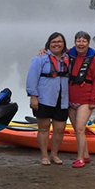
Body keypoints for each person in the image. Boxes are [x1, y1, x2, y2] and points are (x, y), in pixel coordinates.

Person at [26, 32, 70, 165]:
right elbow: (31, 79)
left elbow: (82, 49)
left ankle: (54, 155)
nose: (57, 44)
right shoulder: (40, 58)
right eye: (54, 42)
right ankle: (44, 156)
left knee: (60, 128)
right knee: (44, 128)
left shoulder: (68, 58)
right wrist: (33, 97)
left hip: (62, 99)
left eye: (59, 42)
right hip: (44, 99)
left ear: (64, 44)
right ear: (49, 44)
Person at [67, 31, 95, 168]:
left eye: (83, 41)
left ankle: (80, 158)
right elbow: (54, 50)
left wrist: (93, 101)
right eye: (78, 41)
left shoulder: (94, 59)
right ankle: (86, 155)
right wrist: (43, 50)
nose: (80, 44)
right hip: (70, 100)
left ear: (88, 43)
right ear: (75, 42)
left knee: (80, 129)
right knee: (77, 129)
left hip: (85, 101)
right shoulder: (69, 54)